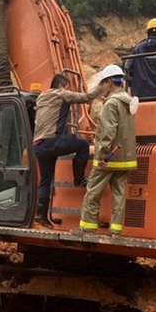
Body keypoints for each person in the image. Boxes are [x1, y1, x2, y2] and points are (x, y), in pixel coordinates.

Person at [33, 73, 104, 226]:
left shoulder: (41, 97)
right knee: (83, 144)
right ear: (61, 86)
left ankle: (41, 215)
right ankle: (79, 178)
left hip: (39, 145)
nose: (68, 90)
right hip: (52, 141)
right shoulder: (61, 94)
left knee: (45, 181)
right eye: (67, 87)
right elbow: (86, 98)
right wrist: (102, 86)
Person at [78, 65, 137, 235]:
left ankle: (87, 227)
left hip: (109, 157)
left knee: (93, 191)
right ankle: (115, 230)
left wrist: (103, 155)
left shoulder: (111, 103)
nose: (102, 88)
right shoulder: (128, 103)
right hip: (125, 157)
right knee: (119, 195)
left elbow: (108, 132)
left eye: (103, 83)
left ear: (110, 82)